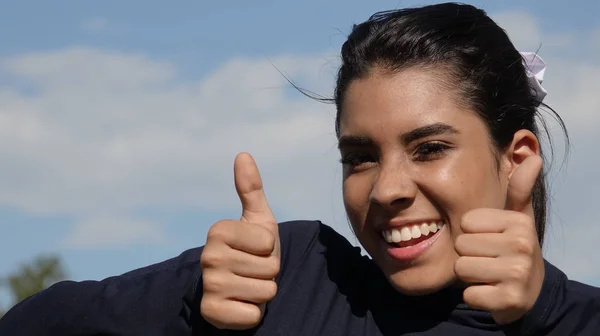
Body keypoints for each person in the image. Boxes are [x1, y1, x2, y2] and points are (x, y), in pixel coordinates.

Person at [1, 2, 599, 335]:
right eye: (360, 157)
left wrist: (542, 311)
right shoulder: (291, 284)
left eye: (429, 148)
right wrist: (190, 300)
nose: (386, 189)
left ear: (516, 158)